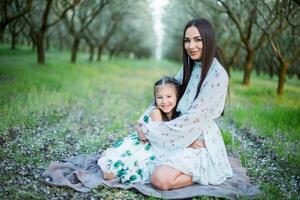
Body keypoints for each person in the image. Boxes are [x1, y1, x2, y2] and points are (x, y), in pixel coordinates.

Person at [135, 18, 233, 191]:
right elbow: (166, 96)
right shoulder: (190, 66)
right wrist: (144, 121)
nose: (191, 46)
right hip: (177, 130)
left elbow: (193, 120)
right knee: (134, 158)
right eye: (187, 40)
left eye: (198, 40)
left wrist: (154, 132)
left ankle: (207, 170)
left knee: (159, 179)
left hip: (197, 139)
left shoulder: (217, 75)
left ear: (208, 40)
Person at [98, 76, 195, 184]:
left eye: (168, 96)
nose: (164, 101)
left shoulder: (178, 113)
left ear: (177, 96)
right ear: (155, 98)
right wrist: (188, 143)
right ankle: (107, 155)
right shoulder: (156, 112)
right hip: (146, 144)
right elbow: (162, 136)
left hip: (157, 145)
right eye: (159, 97)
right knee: (111, 174)